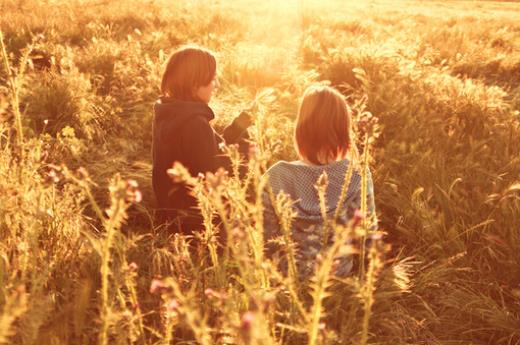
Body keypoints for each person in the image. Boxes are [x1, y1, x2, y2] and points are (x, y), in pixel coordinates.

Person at [262, 85, 377, 278]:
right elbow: (367, 238)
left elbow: (265, 240)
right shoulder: (358, 174)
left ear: (302, 128)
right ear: (343, 130)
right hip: (339, 281)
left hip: (289, 284)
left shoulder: (276, 176)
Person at [152, 45, 252, 235]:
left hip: (172, 213)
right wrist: (245, 152)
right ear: (194, 83)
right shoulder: (195, 123)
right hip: (196, 221)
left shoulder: (169, 113)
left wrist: (238, 128)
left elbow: (207, 152)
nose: (216, 85)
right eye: (212, 79)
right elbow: (217, 175)